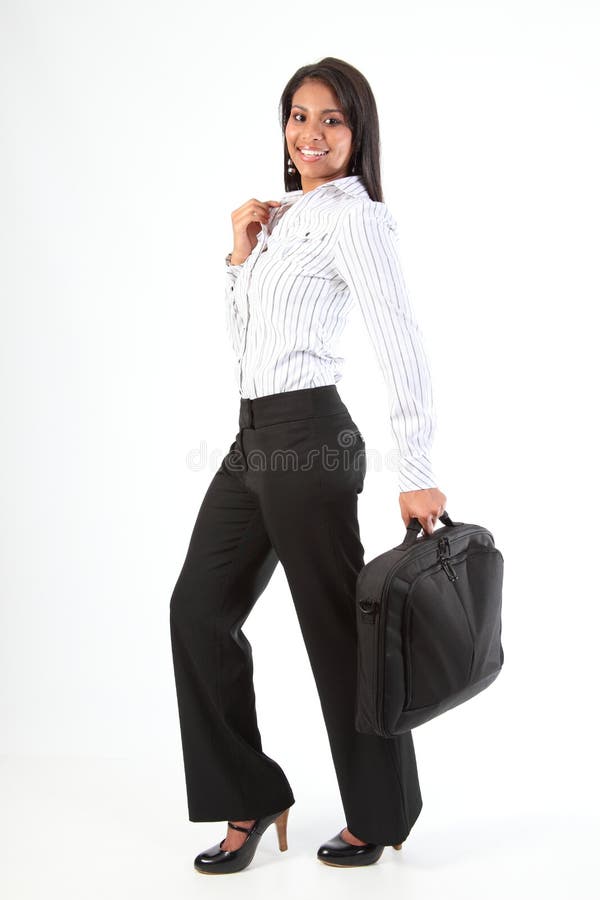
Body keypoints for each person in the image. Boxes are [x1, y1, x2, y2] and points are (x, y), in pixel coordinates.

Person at [169, 56, 447, 875]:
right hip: (254, 438)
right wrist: (237, 259)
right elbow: (248, 349)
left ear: (357, 133)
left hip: (310, 440)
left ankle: (381, 814)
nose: (310, 133)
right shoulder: (281, 216)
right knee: (196, 611)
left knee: (336, 632)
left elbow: (402, 339)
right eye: (298, 116)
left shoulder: (355, 217)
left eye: (331, 119)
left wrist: (418, 465)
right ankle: (252, 794)